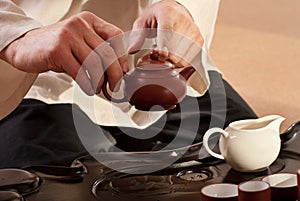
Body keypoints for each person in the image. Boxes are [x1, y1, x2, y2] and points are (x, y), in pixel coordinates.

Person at [0, 0, 257, 168]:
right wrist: (18, 36)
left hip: (157, 61)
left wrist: (178, 6)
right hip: (30, 77)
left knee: (257, 161)